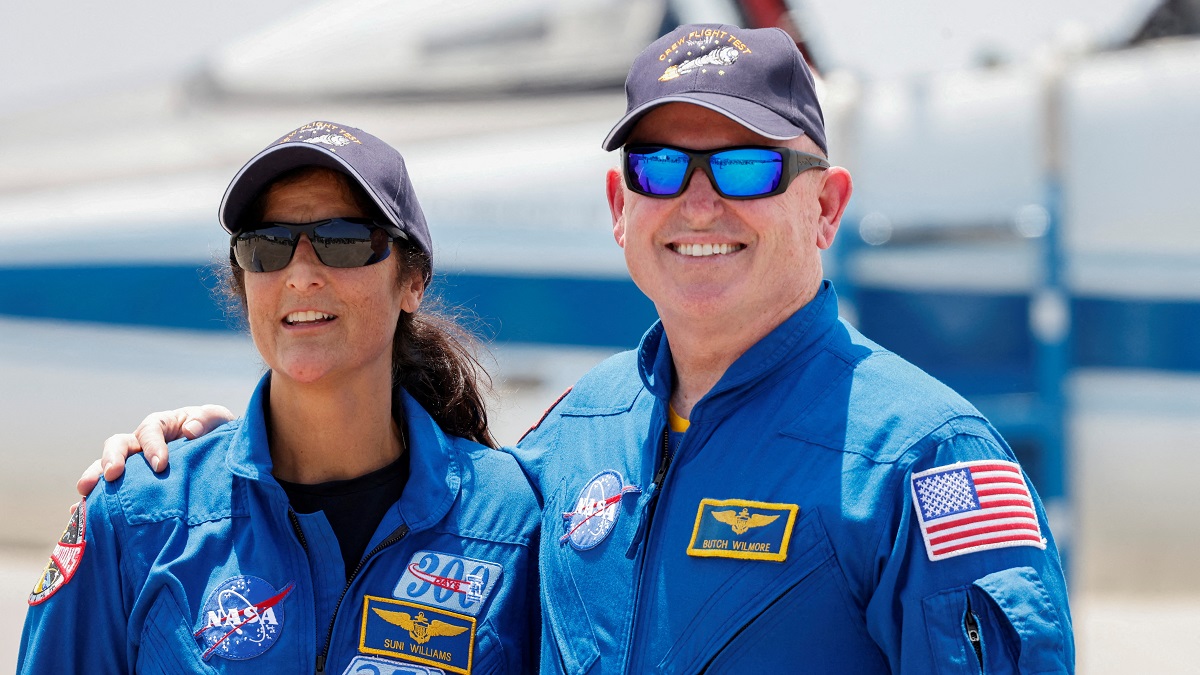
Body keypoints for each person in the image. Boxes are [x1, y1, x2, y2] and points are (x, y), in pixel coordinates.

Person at [78, 24, 1074, 673]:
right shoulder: (578, 438)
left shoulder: (920, 457)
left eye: (746, 164)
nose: (697, 200)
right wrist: (213, 458)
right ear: (618, 206)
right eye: (658, 163)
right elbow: (423, 504)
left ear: (827, 206)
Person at [23, 121, 539, 674]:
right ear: (243, 287)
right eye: (267, 246)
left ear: (412, 280)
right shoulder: (139, 518)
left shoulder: (512, 523)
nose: (300, 273)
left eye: (342, 240)